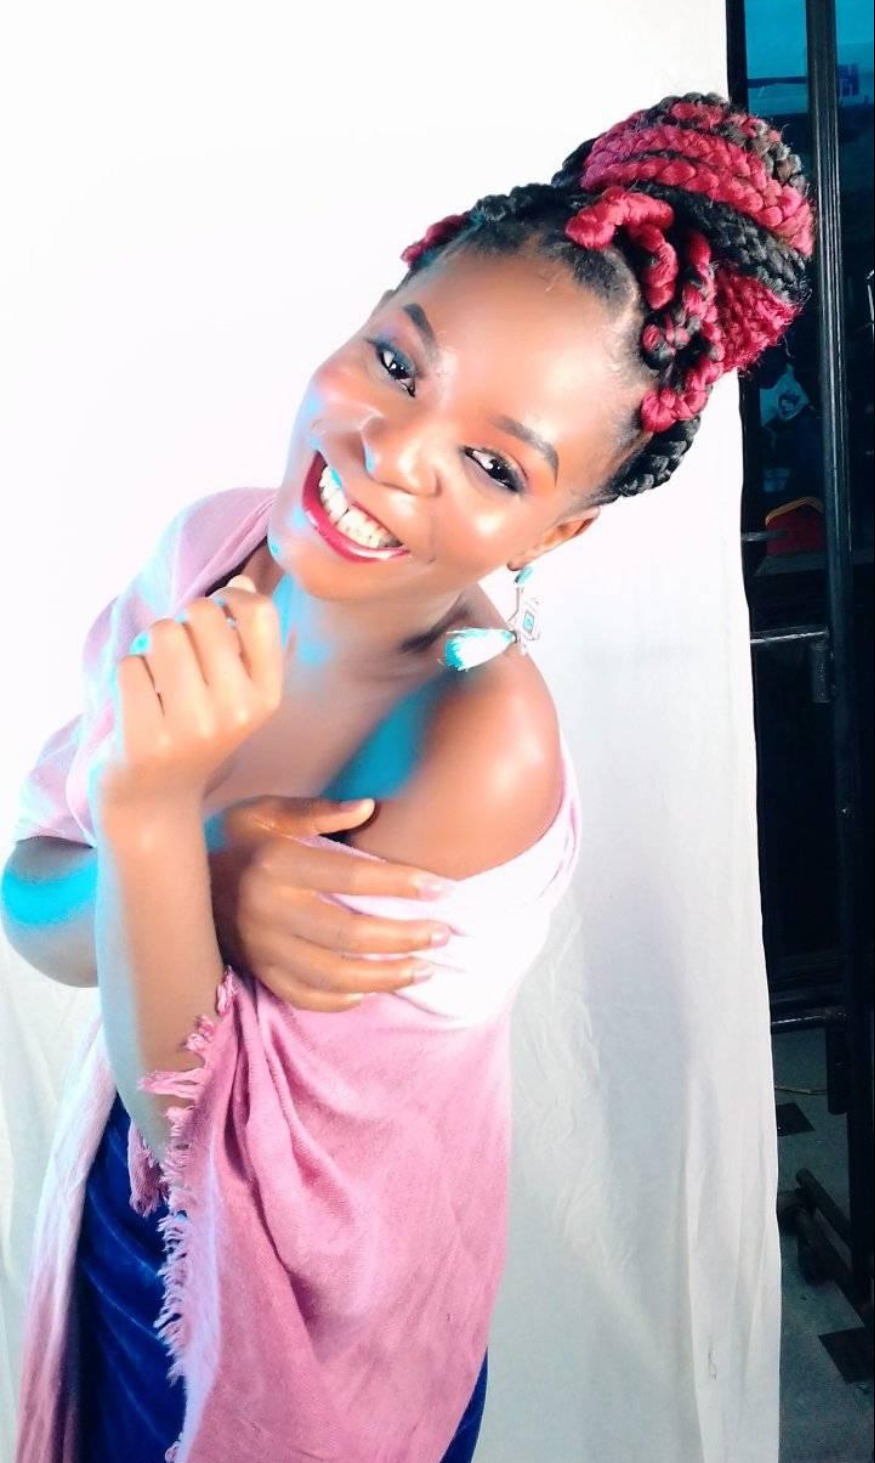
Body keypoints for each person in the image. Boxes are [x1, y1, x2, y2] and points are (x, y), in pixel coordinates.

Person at [2, 92, 813, 1463]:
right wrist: (205, 872)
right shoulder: (210, 551)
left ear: (555, 531)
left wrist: (149, 820)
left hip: (315, 1341)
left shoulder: (478, 748)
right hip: (122, 1246)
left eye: (493, 463)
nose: (388, 456)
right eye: (397, 360)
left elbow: (199, 1130)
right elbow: (28, 895)